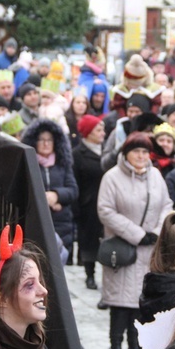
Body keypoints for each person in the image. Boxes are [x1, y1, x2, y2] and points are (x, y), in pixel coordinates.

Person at [98, 133, 173, 349]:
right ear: (126, 153)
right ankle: (114, 348)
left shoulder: (155, 176)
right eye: (136, 151)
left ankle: (135, 347)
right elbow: (106, 210)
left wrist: (157, 230)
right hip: (123, 249)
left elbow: (167, 205)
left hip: (149, 251)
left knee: (140, 304)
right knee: (120, 304)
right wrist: (137, 234)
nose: (141, 156)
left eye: (144, 152)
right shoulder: (112, 177)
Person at [21, 119, 79, 260]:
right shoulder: (29, 164)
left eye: (50, 140)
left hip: (60, 224)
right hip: (36, 222)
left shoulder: (62, 164)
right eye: (41, 140)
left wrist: (56, 196)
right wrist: (44, 198)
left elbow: (73, 190)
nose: (46, 143)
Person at [72, 115, 106, 290]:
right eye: (98, 130)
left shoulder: (106, 151)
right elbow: (75, 182)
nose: (103, 133)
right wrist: (77, 208)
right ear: (88, 133)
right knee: (89, 241)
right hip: (88, 204)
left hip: (106, 201)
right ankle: (90, 274)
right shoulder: (78, 154)